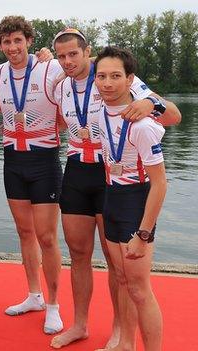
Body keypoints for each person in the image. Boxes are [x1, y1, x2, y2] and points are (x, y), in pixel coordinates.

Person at [50, 29, 181, 349]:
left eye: (74, 54)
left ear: (87, 53)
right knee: (78, 252)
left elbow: (174, 115)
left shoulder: (113, 78)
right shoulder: (61, 87)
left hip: (112, 177)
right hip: (78, 171)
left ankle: (121, 334)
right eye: (61, 56)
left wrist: (150, 102)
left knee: (118, 264)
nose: (68, 61)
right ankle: (79, 325)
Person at [0, 15, 64, 334]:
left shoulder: (51, 68)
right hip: (13, 161)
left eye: (18, 40)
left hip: (44, 161)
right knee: (24, 233)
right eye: (6, 42)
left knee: (47, 237)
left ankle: (54, 305)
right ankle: (33, 295)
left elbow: (70, 102)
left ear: (29, 41)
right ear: (0, 45)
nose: (12, 47)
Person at [94, 46, 169, 351]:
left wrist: (144, 232)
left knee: (140, 289)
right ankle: (126, 345)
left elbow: (160, 184)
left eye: (115, 76)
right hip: (111, 197)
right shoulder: (101, 111)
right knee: (123, 280)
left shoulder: (144, 125)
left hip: (136, 204)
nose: (107, 83)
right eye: (101, 76)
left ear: (130, 80)